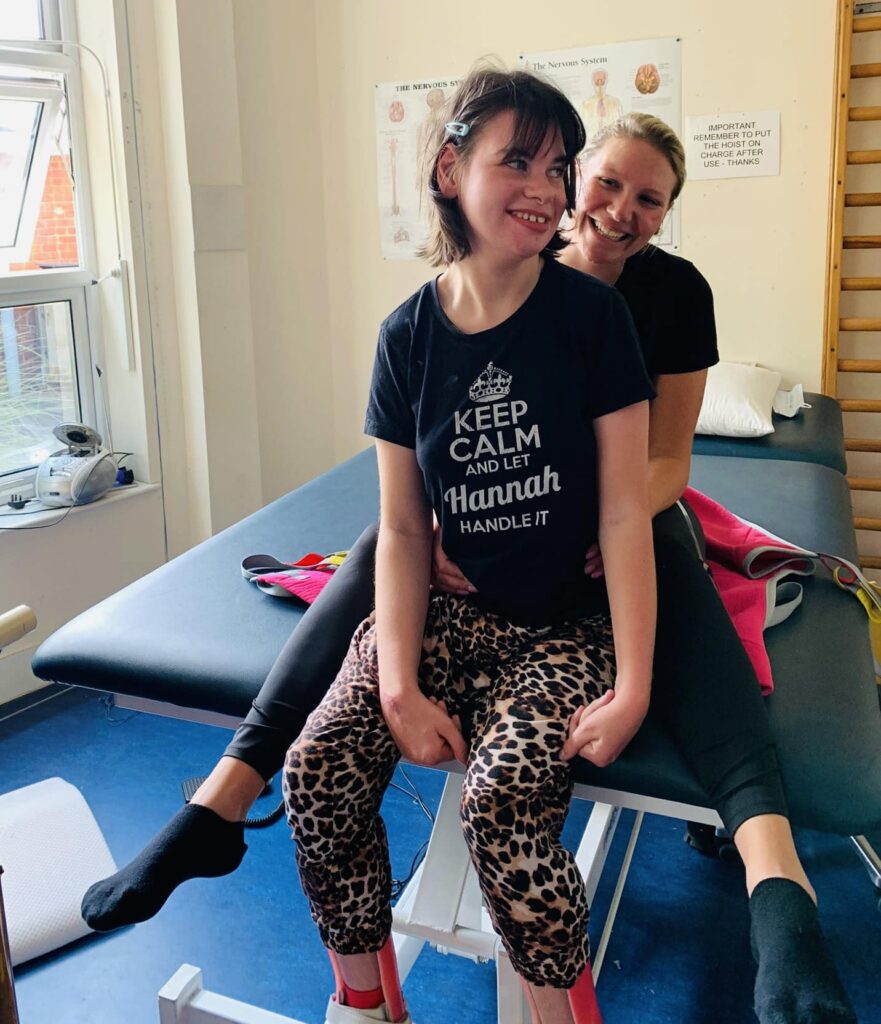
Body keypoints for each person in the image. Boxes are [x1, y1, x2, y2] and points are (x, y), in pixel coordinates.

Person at [80, 103, 857, 1024]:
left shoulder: (647, 300)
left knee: (662, 562)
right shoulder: (454, 301)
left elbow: (661, 462)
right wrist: (446, 562)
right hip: (488, 529)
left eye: (646, 199)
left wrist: (571, 534)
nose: (616, 208)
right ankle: (229, 794)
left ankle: (772, 870)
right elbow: (415, 503)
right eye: (601, 181)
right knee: (383, 548)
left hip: (621, 507)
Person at [282, 66, 655, 1024]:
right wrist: (398, 686)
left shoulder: (591, 318)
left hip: (562, 632)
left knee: (500, 805)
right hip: (449, 616)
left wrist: (632, 687)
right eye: (516, 161)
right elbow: (404, 529)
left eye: (558, 167)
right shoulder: (406, 336)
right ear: (451, 170)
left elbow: (624, 514)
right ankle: (364, 1000)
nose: (545, 188)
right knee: (314, 771)